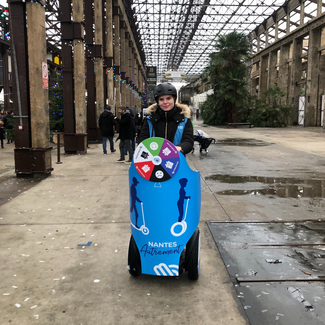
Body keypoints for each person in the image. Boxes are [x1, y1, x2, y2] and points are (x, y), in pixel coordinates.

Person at [139, 82, 193, 154]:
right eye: (161, 99)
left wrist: (179, 148)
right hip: (155, 160)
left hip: (177, 161)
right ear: (157, 101)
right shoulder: (150, 119)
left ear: (174, 99)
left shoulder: (184, 120)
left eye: (168, 98)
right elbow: (143, 140)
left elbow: (188, 141)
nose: (165, 102)